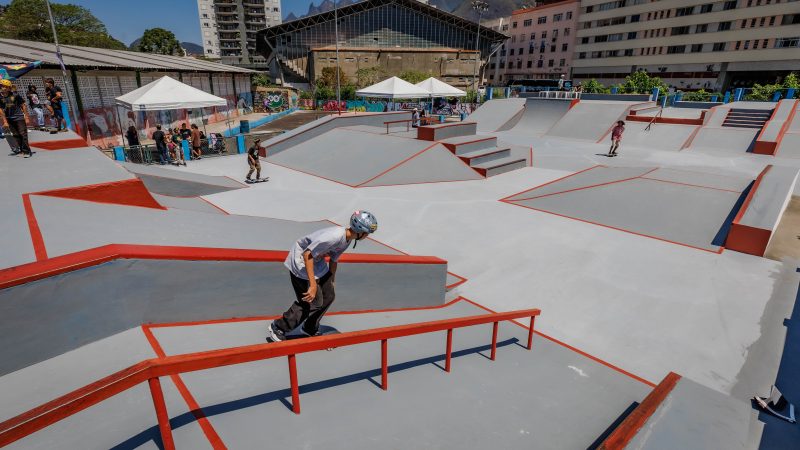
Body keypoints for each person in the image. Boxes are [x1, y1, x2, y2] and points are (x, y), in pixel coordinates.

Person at [266, 211, 379, 342]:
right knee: (312, 302)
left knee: (329, 296)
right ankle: (279, 327)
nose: (368, 236)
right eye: (368, 233)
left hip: (316, 261)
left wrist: (332, 280)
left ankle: (309, 327)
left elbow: (333, 259)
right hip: (301, 260)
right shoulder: (333, 237)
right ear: (361, 232)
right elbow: (307, 254)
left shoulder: (347, 239)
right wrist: (313, 285)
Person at [1, 79, 32, 158]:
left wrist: (26, 117)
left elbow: (23, 105)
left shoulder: (15, 95)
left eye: (5, 86)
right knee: (15, 135)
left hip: (19, 117)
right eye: (2, 86)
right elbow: (1, 110)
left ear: (9, 88)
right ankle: (21, 151)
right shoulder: (0, 97)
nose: (3, 88)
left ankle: (27, 151)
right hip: (9, 118)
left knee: (23, 134)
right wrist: (5, 121)